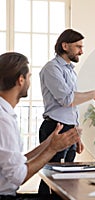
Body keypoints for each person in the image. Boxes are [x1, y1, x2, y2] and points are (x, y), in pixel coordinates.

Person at [0, 52, 80, 199]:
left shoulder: (4, 113)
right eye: (29, 76)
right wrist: (52, 149)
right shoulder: (3, 120)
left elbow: (17, 161)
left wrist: (49, 142)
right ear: (21, 80)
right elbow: (18, 176)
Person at [38, 29, 95, 195]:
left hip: (68, 128)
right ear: (65, 46)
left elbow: (73, 104)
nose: (82, 51)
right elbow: (67, 100)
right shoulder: (51, 69)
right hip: (55, 127)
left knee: (66, 178)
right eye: (78, 46)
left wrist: (76, 132)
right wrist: (93, 94)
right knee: (51, 176)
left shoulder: (70, 70)